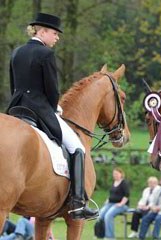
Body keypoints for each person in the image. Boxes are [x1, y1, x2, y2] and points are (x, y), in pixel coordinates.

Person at [6, 12, 98, 220]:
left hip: (16, 108)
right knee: (77, 147)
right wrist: (55, 107)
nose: (57, 38)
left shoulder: (17, 52)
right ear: (43, 31)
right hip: (39, 109)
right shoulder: (45, 54)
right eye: (55, 33)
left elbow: (14, 86)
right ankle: (77, 203)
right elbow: (52, 89)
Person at [96, 167, 130, 239]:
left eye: (117, 174)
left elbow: (127, 195)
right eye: (114, 174)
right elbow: (111, 195)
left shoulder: (124, 183)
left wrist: (121, 203)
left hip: (121, 205)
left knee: (108, 215)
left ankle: (110, 237)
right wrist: (106, 202)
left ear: (121, 174)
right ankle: (100, 234)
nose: (115, 175)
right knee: (100, 215)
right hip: (110, 204)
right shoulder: (114, 183)